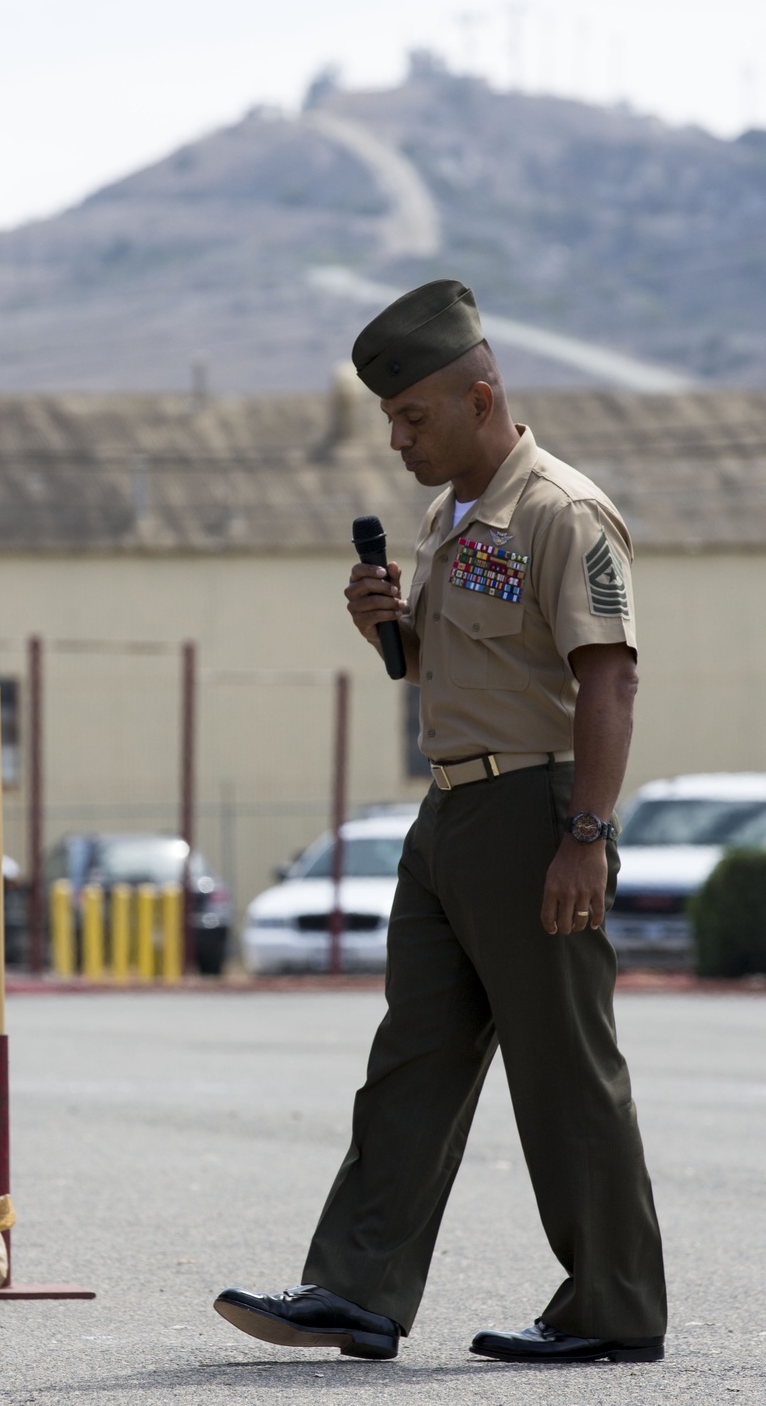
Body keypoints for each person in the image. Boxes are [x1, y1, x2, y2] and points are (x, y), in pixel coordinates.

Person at [214, 279, 667, 1365]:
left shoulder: (560, 510)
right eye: (389, 419)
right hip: (450, 812)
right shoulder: (444, 517)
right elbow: (471, 661)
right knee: (412, 1054)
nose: (398, 438)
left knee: (562, 1065)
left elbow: (605, 682)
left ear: (480, 395)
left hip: (535, 810)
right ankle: (355, 1287)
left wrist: (585, 836)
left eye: (413, 416)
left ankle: (611, 1307)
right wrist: (395, 631)